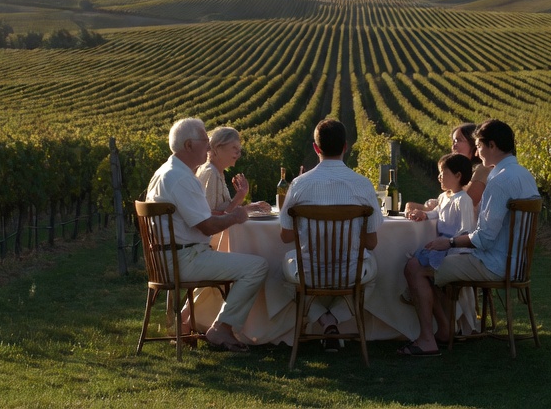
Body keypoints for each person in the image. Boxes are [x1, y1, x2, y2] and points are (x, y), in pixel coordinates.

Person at [399, 119, 539, 356]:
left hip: (494, 264)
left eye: (479, 145)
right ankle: (445, 330)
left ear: (492, 145)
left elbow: (483, 238)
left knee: (414, 266)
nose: (477, 151)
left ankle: (427, 340)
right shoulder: (524, 175)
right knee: (428, 262)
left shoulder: (499, 180)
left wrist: (450, 242)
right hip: (517, 262)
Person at [144, 117, 268, 353]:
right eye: (205, 141)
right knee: (258, 266)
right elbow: (207, 226)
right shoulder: (180, 178)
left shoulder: (167, 172)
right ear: (189, 146)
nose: (209, 146)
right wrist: (236, 215)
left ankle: (199, 322)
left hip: (168, 258)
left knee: (244, 262)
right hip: (184, 259)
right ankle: (222, 327)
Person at [280, 118, 383, 351]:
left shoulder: (298, 185)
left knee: (285, 276)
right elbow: (372, 243)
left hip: (309, 273)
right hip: (349, 273)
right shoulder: (363, 185)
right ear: (346, 146)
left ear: (316, 148)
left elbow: (285, 237)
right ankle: (335, 318)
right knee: (372, 276)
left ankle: (323, 320)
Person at [405, 153, 476, 269]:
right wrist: (424, 214)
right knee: (415, 260)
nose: (439, 177)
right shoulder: (443, 197)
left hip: (452, 248)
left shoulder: (463, 200)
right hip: (441, 243)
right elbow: (437, 211)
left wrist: (452, 247)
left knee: (420, 264)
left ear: (458, 176)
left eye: (443, 173)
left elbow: (466, 229)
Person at [405, 123, 491, 213]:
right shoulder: (458, 170)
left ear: (473, 143)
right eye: (453, 141)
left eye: (458, 140)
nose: (454, 146)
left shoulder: (481, 170)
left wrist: (428, 208)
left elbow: (465, 204)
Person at [196, 126, 271, 217]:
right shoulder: (211, 173)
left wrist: (249, 207)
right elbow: (212, 218)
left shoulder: (216, 172)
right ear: (217, 148)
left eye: (239, 149)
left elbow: (224, 212)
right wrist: (240, 197)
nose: (238, 152)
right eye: (234, 147)